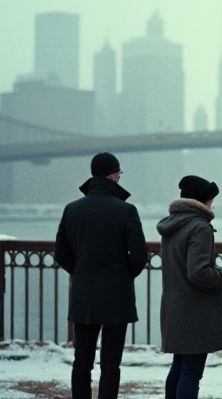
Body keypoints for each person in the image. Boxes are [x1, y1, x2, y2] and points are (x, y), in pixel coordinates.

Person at [55, 152, 147, 399]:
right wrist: (123, 274)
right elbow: (139, 255)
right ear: (112, 175)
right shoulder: (126, 210)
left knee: (81, 361)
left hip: (84, 293)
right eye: (119, 173)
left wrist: (81, 271)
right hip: (117, 295)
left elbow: (61, 253)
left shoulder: (72, 209)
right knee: (110, 363)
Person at [157, 175, 222, 399]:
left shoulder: (172, 225)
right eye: (211, 199)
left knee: (179, 367)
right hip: (195, 311)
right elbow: (198, 273)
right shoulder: (199, 227)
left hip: (175, 307)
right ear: (202, 201)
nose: (213, 203)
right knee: (191, 373)